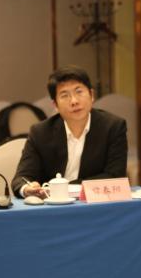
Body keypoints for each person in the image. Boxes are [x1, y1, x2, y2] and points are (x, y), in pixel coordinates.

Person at [12, 66, 127, 197]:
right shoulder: (40, 133)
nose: (74, 101)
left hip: (94, 202)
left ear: (91, 95)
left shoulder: (113, 127)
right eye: (65, 95)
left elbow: (115, 176)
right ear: (55, 105)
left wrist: (67, 188)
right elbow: (21, 178)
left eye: (79, 92)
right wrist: (26, 188)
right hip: (53, 205)